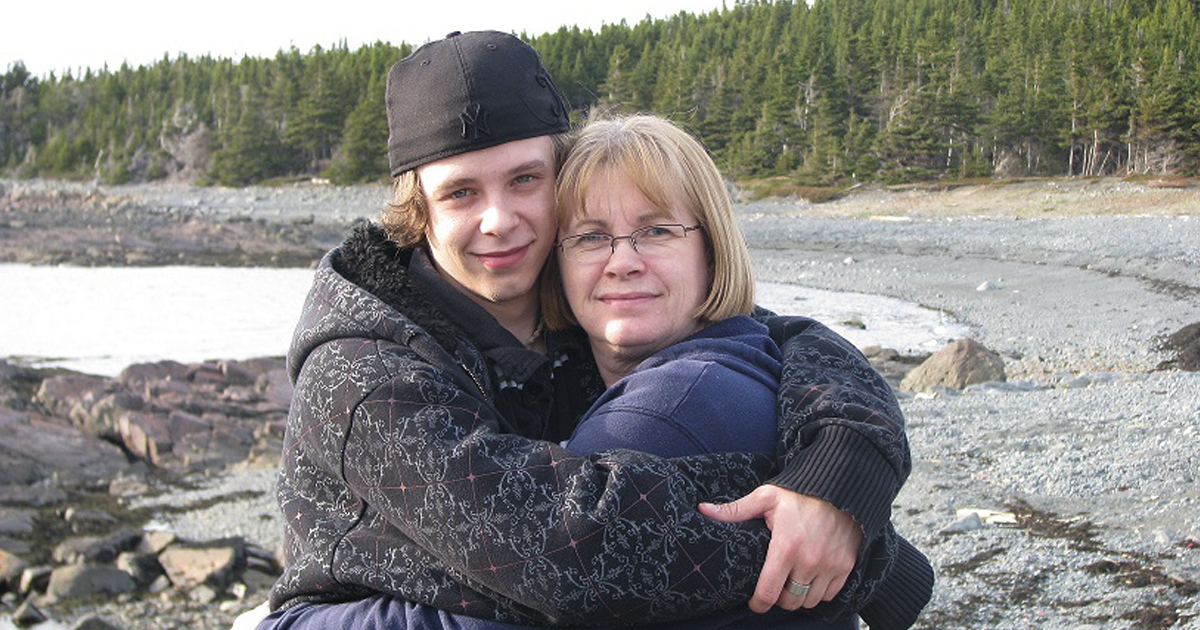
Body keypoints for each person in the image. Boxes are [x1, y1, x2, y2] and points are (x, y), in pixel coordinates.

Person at [257, 31, 929, 630]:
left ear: (561, 181)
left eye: (525, 179)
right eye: (462, 193)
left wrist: (841, 471)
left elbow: (781, 338)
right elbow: (566, 550)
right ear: (419, 211)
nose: (498, 220)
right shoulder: (365, 376)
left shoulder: (584, 306)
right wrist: (843, 548)